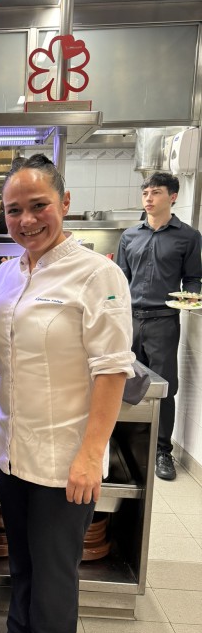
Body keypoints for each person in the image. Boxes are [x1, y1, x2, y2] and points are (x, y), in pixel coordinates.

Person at [0, 154, 134, 633]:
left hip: (68, 451)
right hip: (11, 444)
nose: (26, 220)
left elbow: (113, 369)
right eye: (13, 210)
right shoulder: (8, 271)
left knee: (56, 561)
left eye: (38, 206)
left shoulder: (97, 275)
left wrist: (92, 454)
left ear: (64, 204)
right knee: (21, 554)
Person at [117, 172, 202, 481]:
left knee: (164, 387)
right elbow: (119, 279)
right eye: (146, 193)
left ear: (173, 197)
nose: (149, 198)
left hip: (164, 320)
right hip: (128, 320)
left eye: (156, 193)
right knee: (121, 379)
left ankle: (162, 452)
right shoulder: (129, 236)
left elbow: (193, 279)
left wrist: (192, 298)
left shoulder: (189, 237)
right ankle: (121, 439)